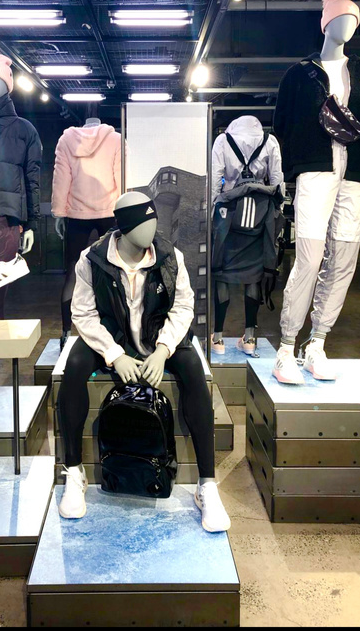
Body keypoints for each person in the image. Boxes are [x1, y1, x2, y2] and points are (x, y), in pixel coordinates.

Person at [56, 191, 231, 533]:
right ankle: (74, 471)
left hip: (157, 335)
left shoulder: (170, 256)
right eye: (141, 223)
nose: (150, 230)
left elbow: (183, 306)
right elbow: (83, 313)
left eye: (153, 221)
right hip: (112, 337)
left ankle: (207, 484)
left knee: (193, 369)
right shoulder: (92, 259)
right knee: (73, 367)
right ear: (123, 228)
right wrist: (114, 354)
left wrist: (163, 349)